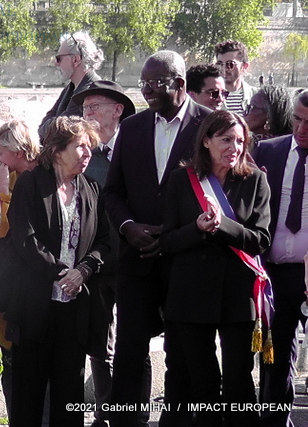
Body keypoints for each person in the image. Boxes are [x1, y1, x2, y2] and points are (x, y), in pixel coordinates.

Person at [103, 50, 211, 427]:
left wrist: (179, 235)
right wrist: (128, 226)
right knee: (129, 352)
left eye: (154, 84)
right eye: (143, 83)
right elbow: (112, 192)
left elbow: (220, 194)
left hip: (186, 261)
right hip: (137, 259)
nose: (146, 91)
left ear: (179, 84)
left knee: (181, 354)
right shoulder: (132, 128)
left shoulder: (208, 125)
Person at [161, 110, 270, 427]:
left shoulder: (255, 180)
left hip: (238, 296)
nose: (234, 147)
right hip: (192, 296)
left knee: (239, 382)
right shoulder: (182, 180)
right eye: (226, 140)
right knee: (202, 383)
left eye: (240, 141)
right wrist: (197, 228)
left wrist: (224, 226)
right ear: (206, 141)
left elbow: (260, 240)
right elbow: (167, 242)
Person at [5, 116, 110, 426]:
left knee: (69, 394)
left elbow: (104, 241)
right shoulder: (31, 183)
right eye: (80, 146)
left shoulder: (91, 188)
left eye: (90, 147)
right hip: (35, 307)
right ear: (57, 150)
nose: (88, 153)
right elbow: (25, 239)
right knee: (29, 394)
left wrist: (84, 271)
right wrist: (61, 272)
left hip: (75, 309)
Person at [71, 80, 138, 427]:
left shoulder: (136, 151)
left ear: (117, 110)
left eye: (95, 106)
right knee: (98, 343)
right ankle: (104, 413)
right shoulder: (84, 157)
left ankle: (134, 417)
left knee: (135, 342)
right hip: (95, 265)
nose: (88, 113)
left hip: (134, 263)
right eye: (85, 108)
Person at [252, 91, 308, 427]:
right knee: (274, 358)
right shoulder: (268, 151)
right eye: (297, 119)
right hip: (274, 273)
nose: (301, 129)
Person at [0, 118, 40, 419]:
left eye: (0, 152)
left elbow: (6, 231)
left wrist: (0, 191)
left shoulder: (38, 177)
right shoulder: (12, 174)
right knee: (11, 360)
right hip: (11, 287)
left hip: (29, 288)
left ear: (18, 151)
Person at [38, 31, 104, 141]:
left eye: (59, 58)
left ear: (75, 60)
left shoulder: (92, 90)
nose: (56, 63)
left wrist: (51, 126)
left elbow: (60, 130)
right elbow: (45, 125)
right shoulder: (70, 88)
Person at [214, 40, 257, 116]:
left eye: (230, 64)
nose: (224, 69)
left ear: (244, 66)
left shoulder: (257, 97)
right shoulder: (210, 97)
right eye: (220, 64)